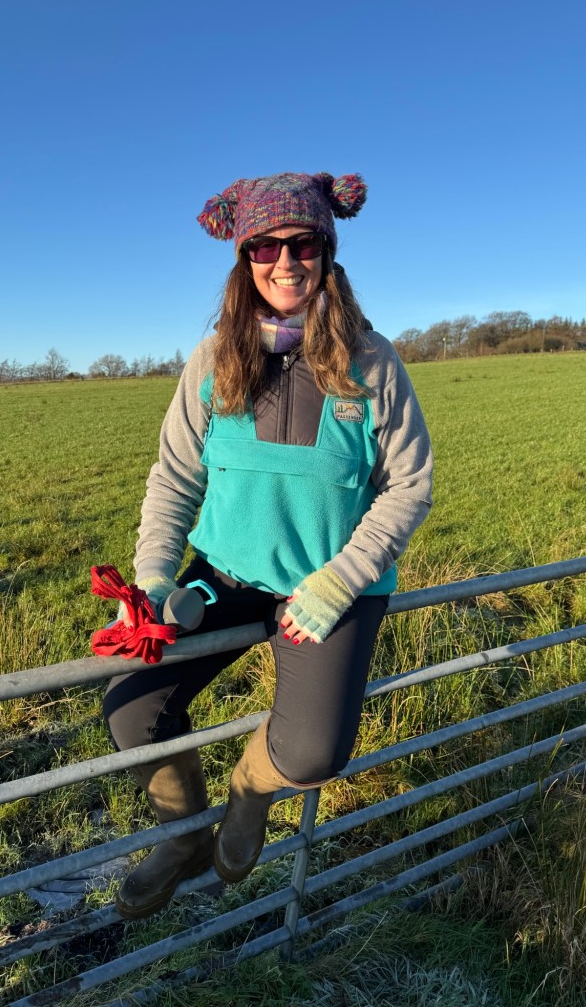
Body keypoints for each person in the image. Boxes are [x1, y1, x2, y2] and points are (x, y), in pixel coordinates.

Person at [103, 171, 434, 920]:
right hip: (227, 575)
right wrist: (152, 583)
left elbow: (409, 486)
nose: (285, 262)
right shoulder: (213, 358)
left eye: (303, 243)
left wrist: (341, 580)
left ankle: (249, 791)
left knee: (314, 752)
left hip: (331, 585)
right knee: (131, 702)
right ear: (243, 258)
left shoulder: (373, 362)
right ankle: (184, 834)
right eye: (265, 246)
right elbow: (174, 479)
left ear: (327, 252)